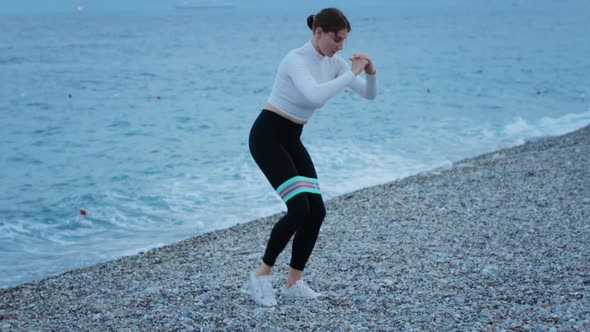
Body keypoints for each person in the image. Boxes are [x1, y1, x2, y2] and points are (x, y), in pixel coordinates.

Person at [247, 7, 377, 307]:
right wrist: (352, 72)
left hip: (292, 137)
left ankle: (293, 283)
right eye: (336, 39)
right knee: (298, 209)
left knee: (316, 211)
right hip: (267, 136)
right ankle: (261, 274)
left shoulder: (333, 62)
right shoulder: (295, 59)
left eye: (344, 41)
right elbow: (314, 96)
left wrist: (370, 73)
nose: (341, 47)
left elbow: (369, 95)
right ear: (319, 32)